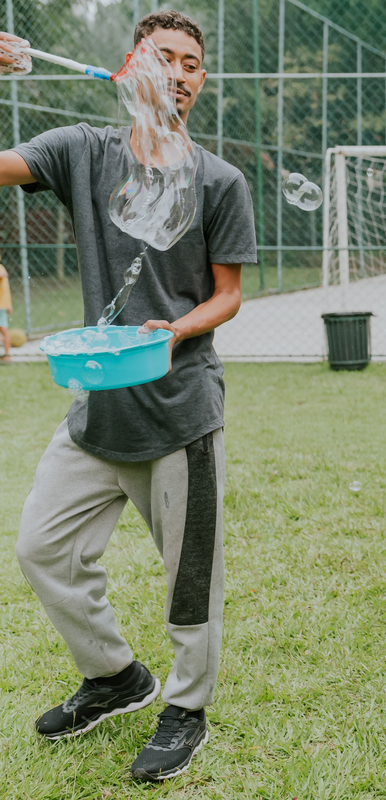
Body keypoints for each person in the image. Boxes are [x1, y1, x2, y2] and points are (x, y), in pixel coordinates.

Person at [0, 11, 257, 782]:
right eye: (163, 58)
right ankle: (115, 677)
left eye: (192, 64)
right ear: (130, 65)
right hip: (95, 409)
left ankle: (185, 709)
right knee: (42, 550)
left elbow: (229, 296)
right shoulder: (82, 150)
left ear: (200, 82)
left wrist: (175, 333)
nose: (178, 73)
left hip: (180, 413)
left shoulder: (219, 180)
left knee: (190, 580)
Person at [0, 259, 11, 362]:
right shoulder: (1, 267)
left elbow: (2, 274)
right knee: (3, 329)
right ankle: (6, 355)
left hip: (1, 305)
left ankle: (7, 355)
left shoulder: (0, 268)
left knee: (3, 330)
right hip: (3, 304)